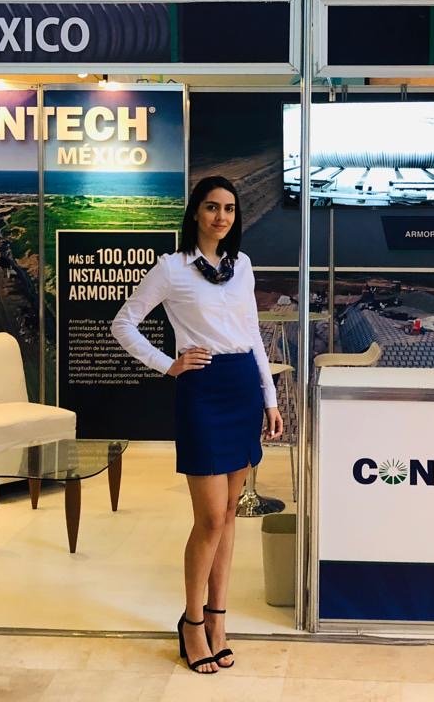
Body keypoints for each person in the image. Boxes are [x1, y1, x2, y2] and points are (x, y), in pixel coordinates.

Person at [111, 175, 283, 675]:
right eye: (211, 208)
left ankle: (217, 620)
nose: (221, 217)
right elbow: (123, 322)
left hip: (242, 388)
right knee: (209, 519)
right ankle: (190, 622)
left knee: (229, 514)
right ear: (195, 214)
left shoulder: (243, 266)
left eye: (229, 209)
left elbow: (251, 332)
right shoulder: (171, 268)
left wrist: (269, 398)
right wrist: (167, 363)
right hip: (203, 389)